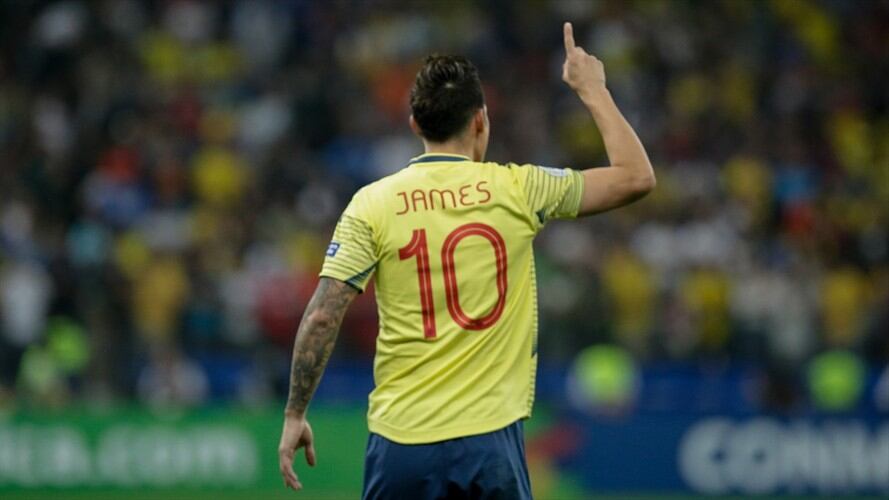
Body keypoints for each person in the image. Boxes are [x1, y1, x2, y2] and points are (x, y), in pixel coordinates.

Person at [278, 22, 654, 499]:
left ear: (415, 124)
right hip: (490, 442)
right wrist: (592, 89)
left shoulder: (371, 204)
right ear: (481, 119)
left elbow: (323, 314)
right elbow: (636, 177)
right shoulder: (520, 189)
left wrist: (295, 413)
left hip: (401, 444)